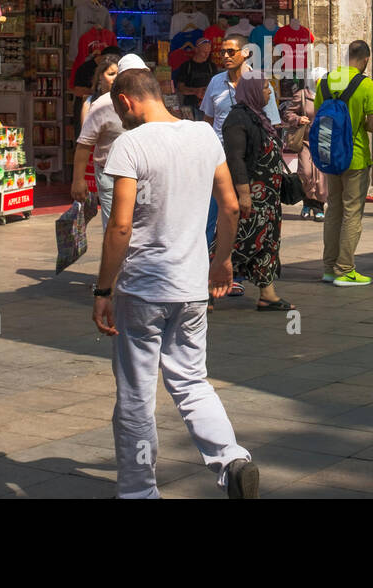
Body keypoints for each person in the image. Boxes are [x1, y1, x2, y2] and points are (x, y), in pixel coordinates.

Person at [93, 67, 259, 499]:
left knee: (136, 391)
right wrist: (221, 261)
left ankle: (137, 489)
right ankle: (232, 460)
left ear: (127, 101)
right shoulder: (204, 136)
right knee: (191, 380)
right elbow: (231, 207)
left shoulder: (130, 144)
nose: (121, 118)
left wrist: (103, 289)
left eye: (118, 109)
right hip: (190, 288)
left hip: (143, 287)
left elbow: (121, 226)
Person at [222, 73, 291, 311]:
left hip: (269, 199)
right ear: (251, 90)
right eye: (264, 87)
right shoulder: (237, 119)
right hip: (252, 196)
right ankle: (205, 286)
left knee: (268, 244)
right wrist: (243, 195)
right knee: (239, 241)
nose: (269, 92)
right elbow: (236, 159)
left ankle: (267, 294)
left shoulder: (259, 117)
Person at [317, 40, 373, 287]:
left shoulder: (325, 81)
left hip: (330, 156)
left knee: (333, 210)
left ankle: (328, 268)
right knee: (352, 212)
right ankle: (345, 269)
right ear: (366, 59)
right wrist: (365, 122)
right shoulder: (367, 85)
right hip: (355, 156)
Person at [74, 54, 143, 224]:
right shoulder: (98, 105)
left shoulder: (141, 101)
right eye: (111, 74)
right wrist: (78, 180)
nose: (116, 78)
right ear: (99, 78)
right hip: (109, 173)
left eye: (119, 74)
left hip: (139, 173)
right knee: (115, 225)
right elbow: (84, 144)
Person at [279, 68, 328, 221]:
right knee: (305, 173)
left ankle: (318, 206)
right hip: (305, 141)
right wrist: (298, 119)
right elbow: (288, 113)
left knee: (321, 176)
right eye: (317, 78)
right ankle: (307, 202)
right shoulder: (301, 95)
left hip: (323, 140)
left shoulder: (329, 95)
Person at [172, 37, 216, 121]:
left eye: (208, 52)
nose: (206, 55)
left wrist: (204, 95)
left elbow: (215, 87)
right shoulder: (186, 66)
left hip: (207, 108)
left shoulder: (211, 66)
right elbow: (180, 88)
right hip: (190, 108)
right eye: (204, 52)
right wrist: (196, 91)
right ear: (196, 50)